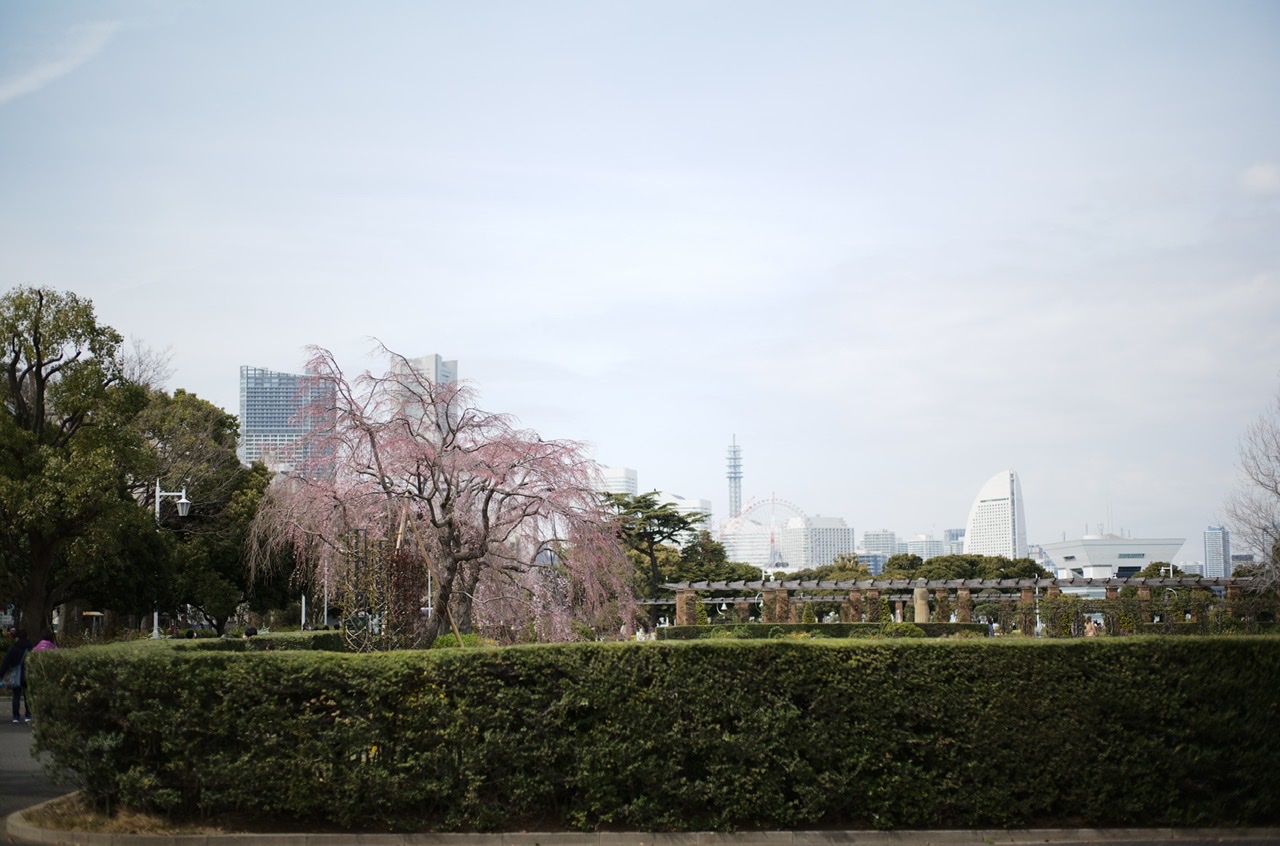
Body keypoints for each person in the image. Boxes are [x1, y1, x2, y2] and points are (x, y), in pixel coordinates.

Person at [0, 628, 33, 723]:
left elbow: (6, 662)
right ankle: (28, 714)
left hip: (16, 674)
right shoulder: (30, 647)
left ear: (17, 637)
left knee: (16, 695)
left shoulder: (14, 648)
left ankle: (16, 716)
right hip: (28, 674)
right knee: (28, 695)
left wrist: (1, 674)